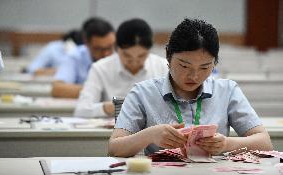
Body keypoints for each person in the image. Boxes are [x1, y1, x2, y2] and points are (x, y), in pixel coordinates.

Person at [108, 18, 273, 157]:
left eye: (204, 67)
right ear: (168, 56)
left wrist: (227, 144)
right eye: (184, 66)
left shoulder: (227, 90)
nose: (194, 76)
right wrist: (150, 135)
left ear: (215, 63)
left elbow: (265, 143)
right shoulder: (143, 92)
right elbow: (114, 149)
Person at [74, 18, 168, 118]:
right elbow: (81, 111)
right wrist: (111, 107)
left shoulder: (162, 66)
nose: (134, 62)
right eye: (127, 56)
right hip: (112, 131)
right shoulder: (100, 68)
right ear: (116, 48)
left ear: (149, 50)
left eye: (141, 56)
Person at [52, 17, 115, 98]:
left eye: (110, 47)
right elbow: (57, 89)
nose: (106, 53)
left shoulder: (121, 54)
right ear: (86, 43)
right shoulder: (74, 56)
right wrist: (99, 91)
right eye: (98, 49)